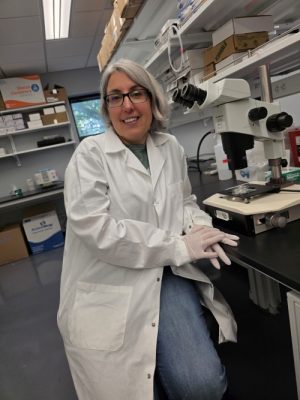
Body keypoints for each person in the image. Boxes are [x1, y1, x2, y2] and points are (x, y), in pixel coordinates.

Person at [57, 58, 239, 400]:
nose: (127, 105)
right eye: (115, 97)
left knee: (203, 387)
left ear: (152, 100)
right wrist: (179, 247)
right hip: (109, 282)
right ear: (106, 107)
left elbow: (183, 201)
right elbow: (98, 230)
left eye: (136, 93)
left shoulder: (170, 148)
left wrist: (201, 228)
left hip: (163, 274)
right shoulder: (90, 155)